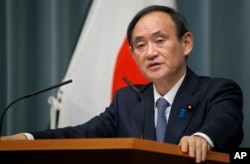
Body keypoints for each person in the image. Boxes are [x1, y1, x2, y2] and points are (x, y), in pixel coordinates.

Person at [0, 5, 243, 163]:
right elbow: (79, 135)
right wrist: (26, 138)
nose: (150, 53)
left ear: (186, 43)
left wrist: (202, 137)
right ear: (133, 54)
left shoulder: (219, 90)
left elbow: (225, 122)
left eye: (159, 40)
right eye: (140, 45)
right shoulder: (128, 100)